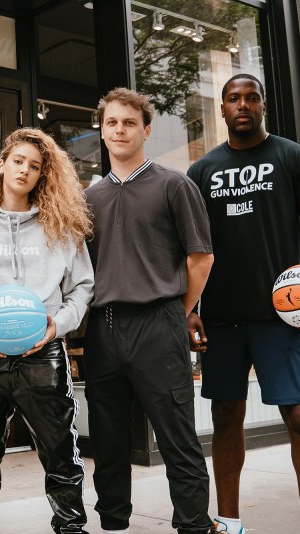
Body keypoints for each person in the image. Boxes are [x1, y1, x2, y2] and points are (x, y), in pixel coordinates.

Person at [186, 74, 300, 534]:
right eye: (233, 98)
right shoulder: (201, 172)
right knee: (225, 418)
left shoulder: (293, 157)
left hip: (283, 317)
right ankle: (231, 523)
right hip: (221, 317)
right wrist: (189, 307)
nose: (243, 104)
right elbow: (189, 249)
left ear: (264, 105)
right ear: (221, 109)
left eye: (252, 97)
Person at [0, 128, 94, 534]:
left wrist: (57, 326)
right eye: (18, 161)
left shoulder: (60, 229)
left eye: (35, 166)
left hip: (43, 354)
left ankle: (70, 528)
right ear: (2, 164)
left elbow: (82, 289)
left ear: (42, 175)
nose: (25, 171)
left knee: (61, 451)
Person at [83, 88, 215, 534]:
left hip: (158, 324)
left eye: (129, 123)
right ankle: (114, 524)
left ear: (146, 130)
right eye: (112, 123)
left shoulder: (173, 184)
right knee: (108, 441)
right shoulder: (90, 196)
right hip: (104, 328)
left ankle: (194, 526)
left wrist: (178, 311)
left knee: (177, 438)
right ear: (101, 131)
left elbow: (201, 258)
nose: (119, 130)